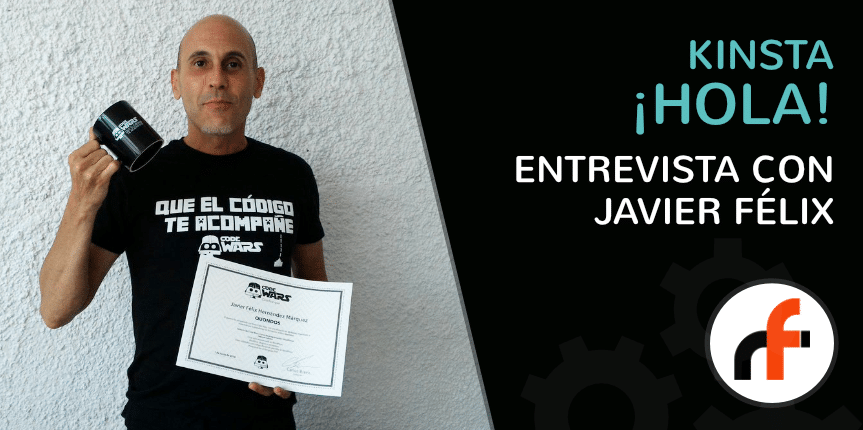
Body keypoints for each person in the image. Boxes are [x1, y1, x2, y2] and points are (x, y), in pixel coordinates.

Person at [38, 14, 327, 429]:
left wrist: (298, 357)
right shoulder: (138, 178)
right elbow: (55, 310)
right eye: (200, 63)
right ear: (176, 83)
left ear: (258, 81)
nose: (217, 80)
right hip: (161, 417)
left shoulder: (291, 174)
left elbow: (315, 288)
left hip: (266, 418)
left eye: (233, 63)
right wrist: (81, 201)